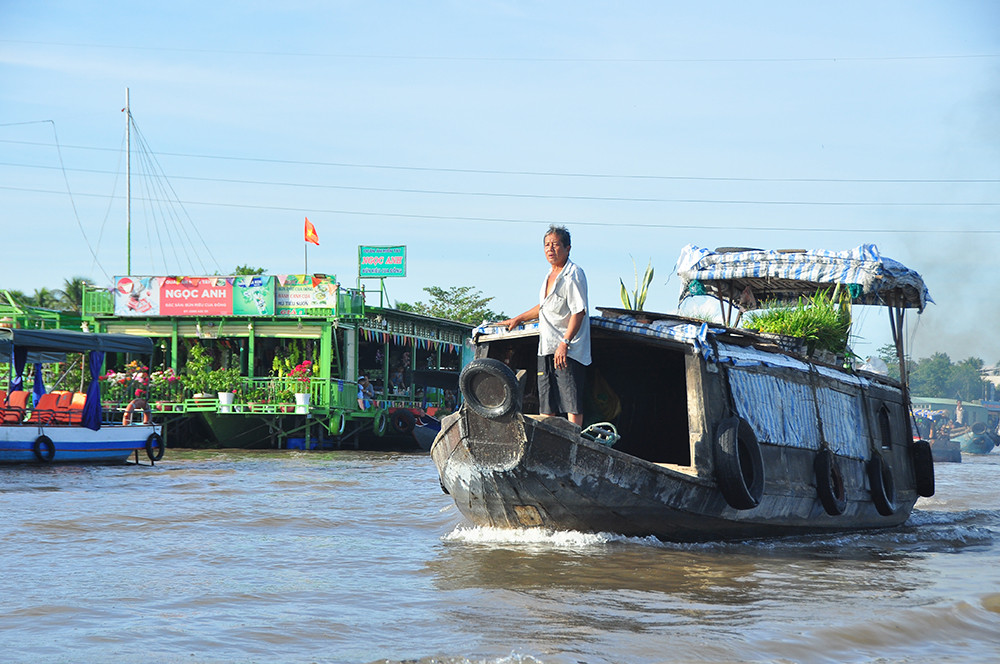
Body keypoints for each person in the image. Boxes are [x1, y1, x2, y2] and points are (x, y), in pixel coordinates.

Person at [499, 225, 591, 427]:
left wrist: (564, 343)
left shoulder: (573, 274)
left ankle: (573, 443)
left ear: (567, 248)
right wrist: (519, 318)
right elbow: (545, 306)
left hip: (569, 350)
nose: (551, 249)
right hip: (547, 347)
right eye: (547, 245)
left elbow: (579, 311)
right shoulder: (549, 275)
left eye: (556, 244)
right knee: (547, 403)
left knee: (571, 403)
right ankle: (551, 445)